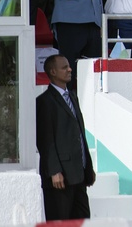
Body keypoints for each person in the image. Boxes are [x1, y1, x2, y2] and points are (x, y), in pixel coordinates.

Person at [36, 54, 95, 220]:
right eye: (64, 67)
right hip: (60, 178)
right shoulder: (44, 101)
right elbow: (45, 140)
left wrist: (88, 167)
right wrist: (54, 170)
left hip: (79, 174)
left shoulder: (73, 96)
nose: (70, 69)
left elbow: (79, 134)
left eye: (69, 66)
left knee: (82, 219)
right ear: (53, 72)